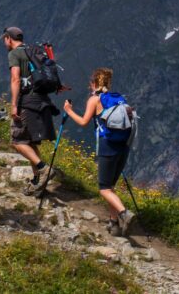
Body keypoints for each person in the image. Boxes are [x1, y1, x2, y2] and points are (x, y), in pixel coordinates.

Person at [63, 68, 136, 236]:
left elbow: (83, 122)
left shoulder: (95, 100)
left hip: (107, 146)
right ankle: (114, 223)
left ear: (94, 83)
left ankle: (124, 213)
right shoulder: (119, 99)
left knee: (104, 189)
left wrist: (68, 110)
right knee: (111, 187)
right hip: (123, 147)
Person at [4, 26, 57, 196]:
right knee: (31, 142)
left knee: (18, 141)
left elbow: (15, 79)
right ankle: (37, 181)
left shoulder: (15, 54)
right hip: (42, 100)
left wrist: (13, 104)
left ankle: (44, 169)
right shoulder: (34, 51)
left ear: (8, 39)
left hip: (27, 102)